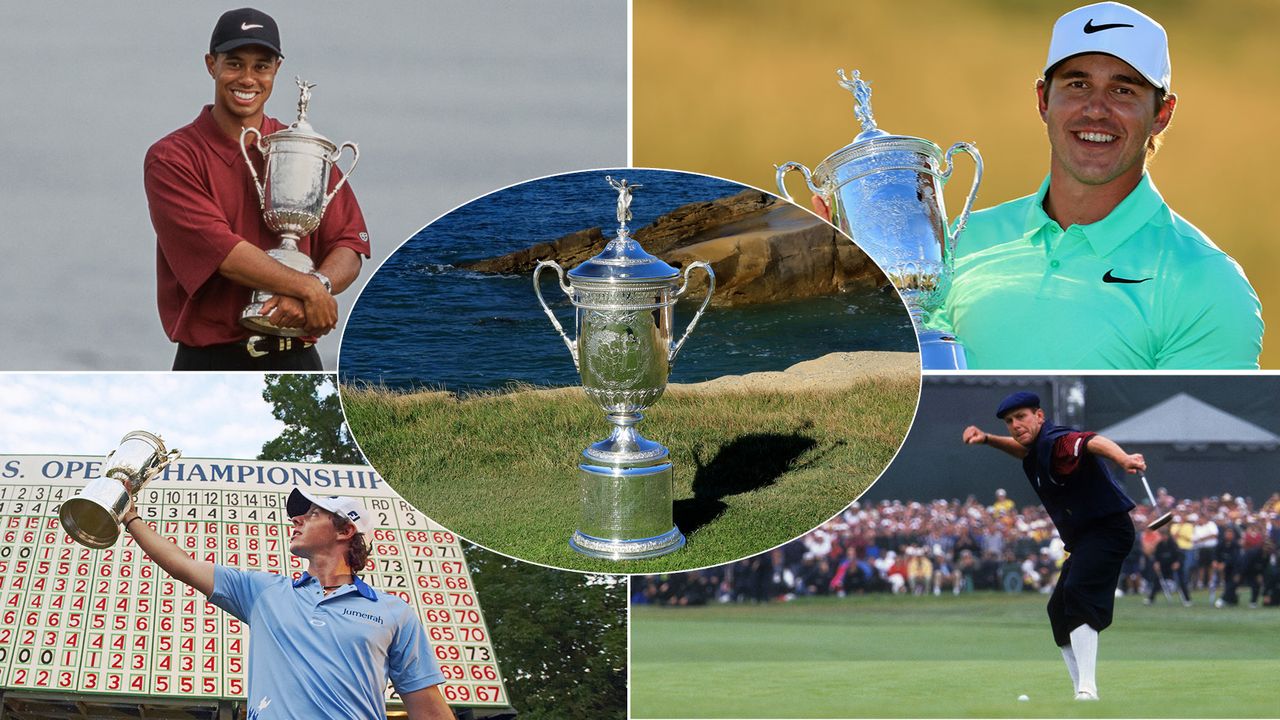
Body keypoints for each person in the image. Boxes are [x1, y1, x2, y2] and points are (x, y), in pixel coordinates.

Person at [814, 2, 1262, 369]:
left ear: (1162, 114)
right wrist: (848, 281)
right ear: (1044, 100)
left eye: (1123, 90)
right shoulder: (954, 245)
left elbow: (1180, 456)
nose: (1096, 110)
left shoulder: (1205, 282)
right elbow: (882, 378)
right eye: (1077, 84)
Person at [145, 8, 370, 370]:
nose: (248, 79)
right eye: (234, 64)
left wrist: (320, 286)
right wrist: (307, 289)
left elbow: (348, 243)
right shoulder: (172, 157)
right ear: (211, 64)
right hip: (210, 364)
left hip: (298, 359)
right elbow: (225, 255)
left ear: (277, 70)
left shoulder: (301, 148)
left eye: (261, 66)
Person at [121, 488, 454, 719]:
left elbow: (427, 707)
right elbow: (182, 564)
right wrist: (131, 517)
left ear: (345, 530)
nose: (296, 521)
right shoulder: (263, 591)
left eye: (311, 514)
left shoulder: (393, 612)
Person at [962, 391, 1142, 700]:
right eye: (1010, 421)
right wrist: (988, 439)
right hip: (1086, 536)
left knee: (1078, 593)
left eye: (1021, 417)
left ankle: (1088, 688)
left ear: (1040, 416)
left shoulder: (1057, 440)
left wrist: (1123, 458)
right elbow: (1024, 452)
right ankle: (1079, 689)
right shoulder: (1037, 448)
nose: (1015, 425)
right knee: (1057, 609)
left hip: (1108, 529)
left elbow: (1090, 441)